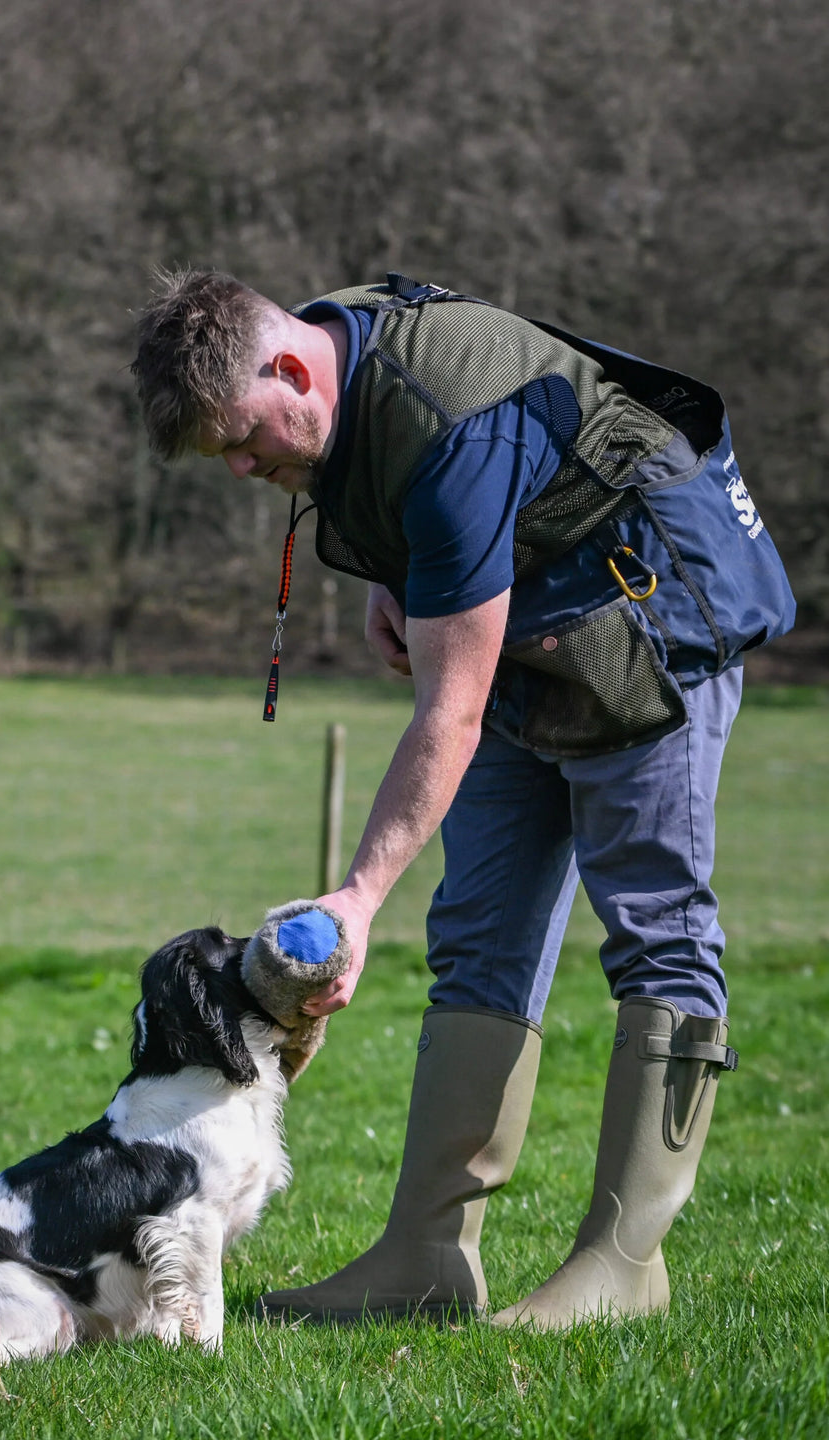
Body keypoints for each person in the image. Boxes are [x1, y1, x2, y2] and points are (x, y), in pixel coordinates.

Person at [130, 269, 796, 1329]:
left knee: (655, 922)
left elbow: (448, 713)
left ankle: (626, 1264)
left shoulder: (453, 429)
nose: (245, 466)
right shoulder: (338, 358)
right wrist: (404, 582)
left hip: (656, 611)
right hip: (540, 622)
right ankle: (427, 1255)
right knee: (479, 932)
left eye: (242, 439)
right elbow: (449, 515)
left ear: (290, 366)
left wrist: (355, 897)